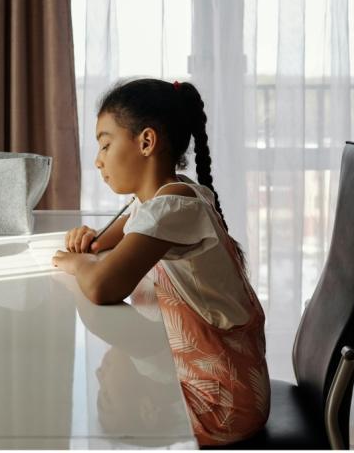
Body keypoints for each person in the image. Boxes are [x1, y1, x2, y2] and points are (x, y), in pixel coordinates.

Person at [52, 78, 270, 446]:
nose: (98, 159)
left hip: (222, 403)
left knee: (88, 420)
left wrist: (73, 264)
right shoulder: (165, 199)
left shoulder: (173, 207)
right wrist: (86, 242)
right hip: (224, 385)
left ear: (147, 142)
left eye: (106, 144)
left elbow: (103, 286)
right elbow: (107, 243)